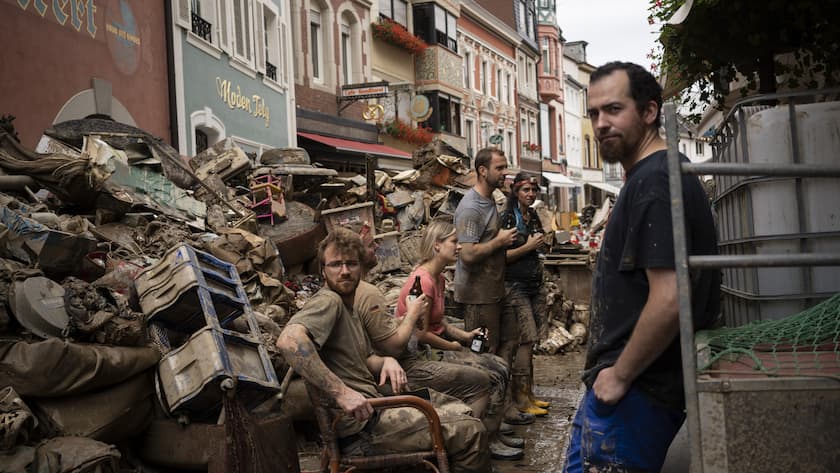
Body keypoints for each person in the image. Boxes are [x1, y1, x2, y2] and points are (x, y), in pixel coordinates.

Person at [562, 62, 720, 473]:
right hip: (634, 390)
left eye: (614, 109)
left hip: (636, 392)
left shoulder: (654, 181)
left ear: (650, 112)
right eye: (594, 113)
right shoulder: (650, 176)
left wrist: (619, 376)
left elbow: (670, 297)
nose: (600, 123)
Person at [276, 228, 490, 473]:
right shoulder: (329, 301)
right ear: (323, 270)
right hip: (362, 429)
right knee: (471, 431)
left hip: (372, 409)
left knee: (457, 407)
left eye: (351, 263)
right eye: (335, 265)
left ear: (361, 266)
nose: (344, 271)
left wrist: (385, 360)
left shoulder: (349, 305)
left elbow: (362, 357)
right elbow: (289, 341)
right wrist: (342, 392)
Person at [393, 219, 523, 459]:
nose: (459, 246)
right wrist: (452, 346)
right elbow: (420, 333)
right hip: (421, 353)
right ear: (437, 245)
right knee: (491, 376)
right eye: (454, 241)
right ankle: (476, 440)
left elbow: (437, 323)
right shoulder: (422, 281)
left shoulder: (439, 278)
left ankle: (490, 432)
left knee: (501, 365)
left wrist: (465, 336)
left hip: (437, 345)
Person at [453, 147, 535, 428]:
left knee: (507, 346)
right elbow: (467, 255)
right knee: (482, 358)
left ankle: (504, 412)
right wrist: (499, 242)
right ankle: (485, 430)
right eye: (499, 168)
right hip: (477, 297)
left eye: (505, 167)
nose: (505, 173)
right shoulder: (471, 207)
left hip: (496, 291)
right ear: (482, 170)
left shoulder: (490, 202)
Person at [499, 173, 551, 417]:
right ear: (516, 191)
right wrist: (528, 247)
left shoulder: (532, 215)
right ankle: (520, 398)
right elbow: (501, 257)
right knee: (525, 339)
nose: (530, 194)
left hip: (534, 284)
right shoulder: (508, 217)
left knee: (533, 341)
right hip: (515, 285)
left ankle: (529, 393)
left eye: (533, 190)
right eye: (526, 190)